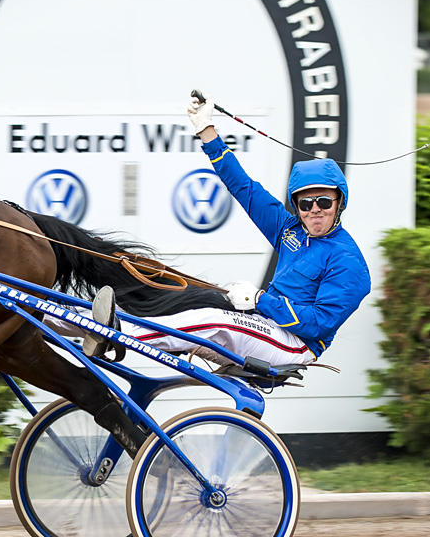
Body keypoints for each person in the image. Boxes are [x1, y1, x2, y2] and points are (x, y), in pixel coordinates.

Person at [87, 89, 371, 368]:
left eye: (323, 201)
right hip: (265, 323)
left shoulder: (348, 261)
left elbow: (318, 324)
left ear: (339, 203)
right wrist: (206, 129)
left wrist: (261, 300)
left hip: (297, 344)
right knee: (185, 297)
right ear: (296, 206)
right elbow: (242, 186)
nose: (315, 209)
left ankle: (115, 333)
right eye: (306, 203)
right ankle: (69, 318)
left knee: (212, 320)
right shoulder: (290, 229)